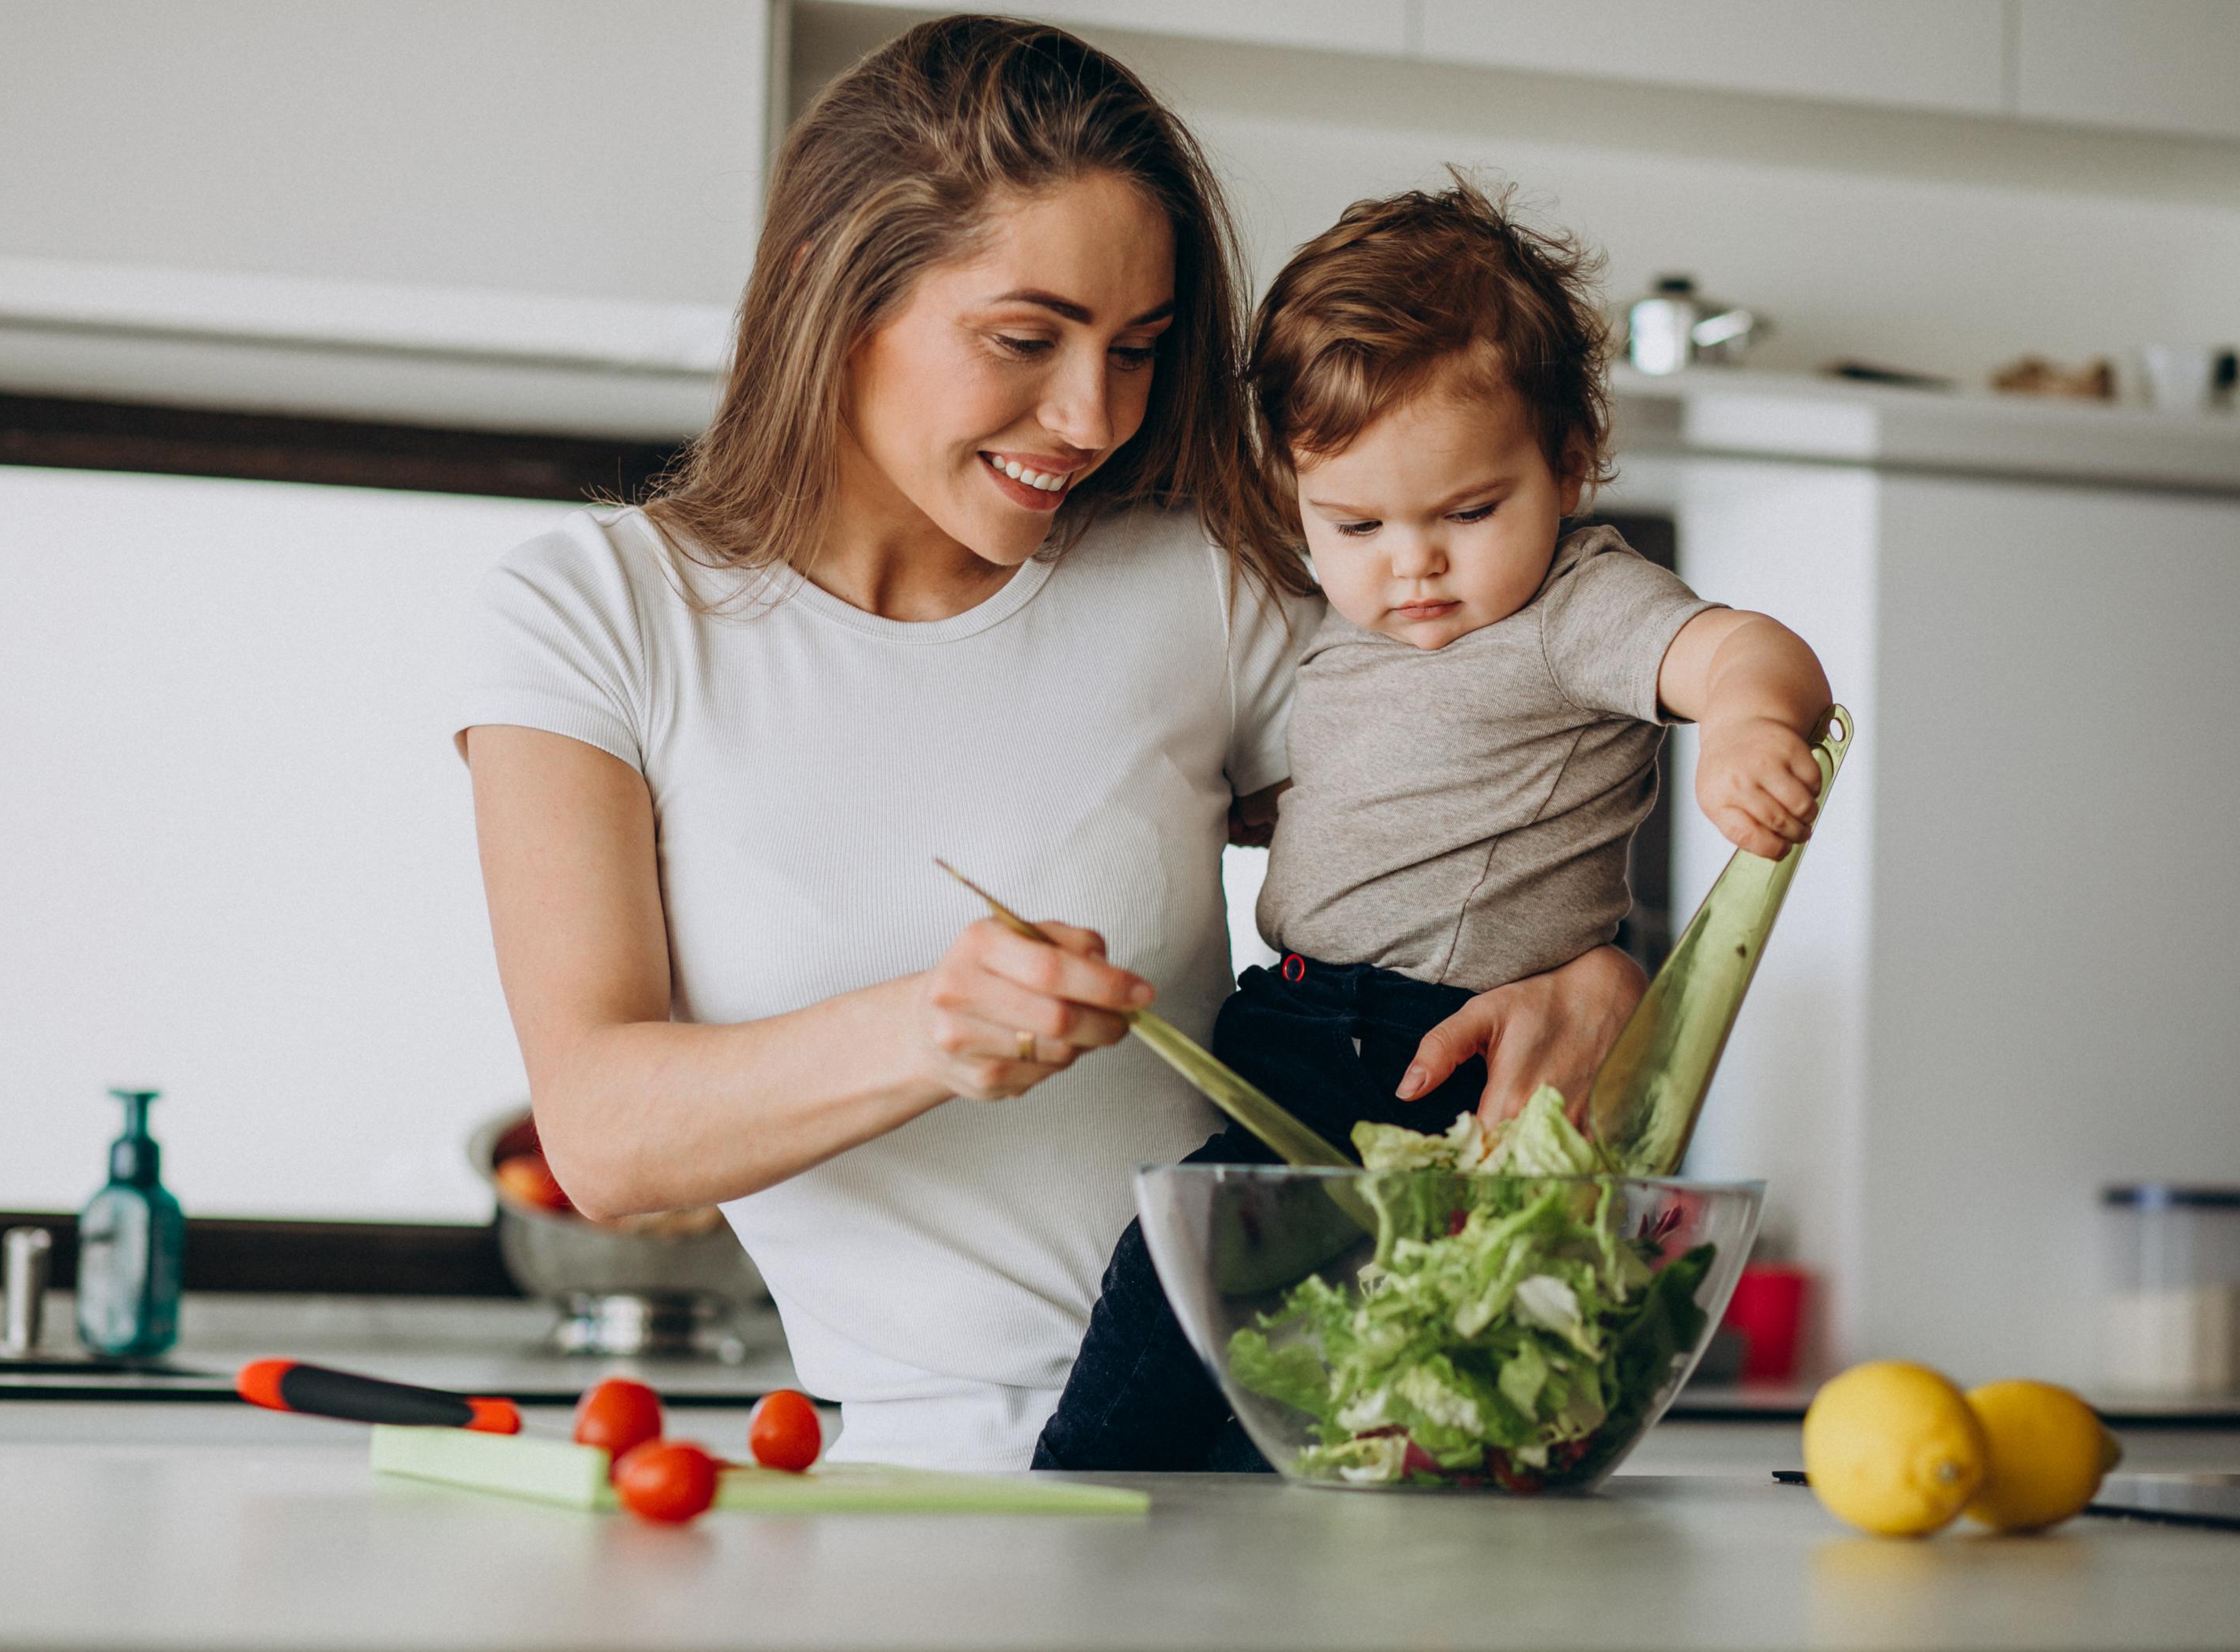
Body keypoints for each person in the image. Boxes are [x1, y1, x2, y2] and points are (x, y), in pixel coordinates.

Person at [456, 21, 1648, 1473]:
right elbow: (605, 1134)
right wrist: (927, 1027)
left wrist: (1601, 975)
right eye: (1025, 340)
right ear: (845, 299)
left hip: (1321, 1434)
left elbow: (1478, 814)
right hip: (937, 1484)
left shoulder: (1191, 581)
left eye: (1138, 349)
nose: (1095, 415)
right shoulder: (601, 616)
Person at [1034, 177, 1833, 1471]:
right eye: (1356, 524)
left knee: (1197, 1304)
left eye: (1469, 512)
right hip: (1293, 1022)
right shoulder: (1353, 626)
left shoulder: (1576, 603)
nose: (1414, 565)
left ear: (1568, 463)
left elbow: (1745, 648)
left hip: (1422, 1055)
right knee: (1260, 1342)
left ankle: (1094, 1512)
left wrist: (1749, 724)